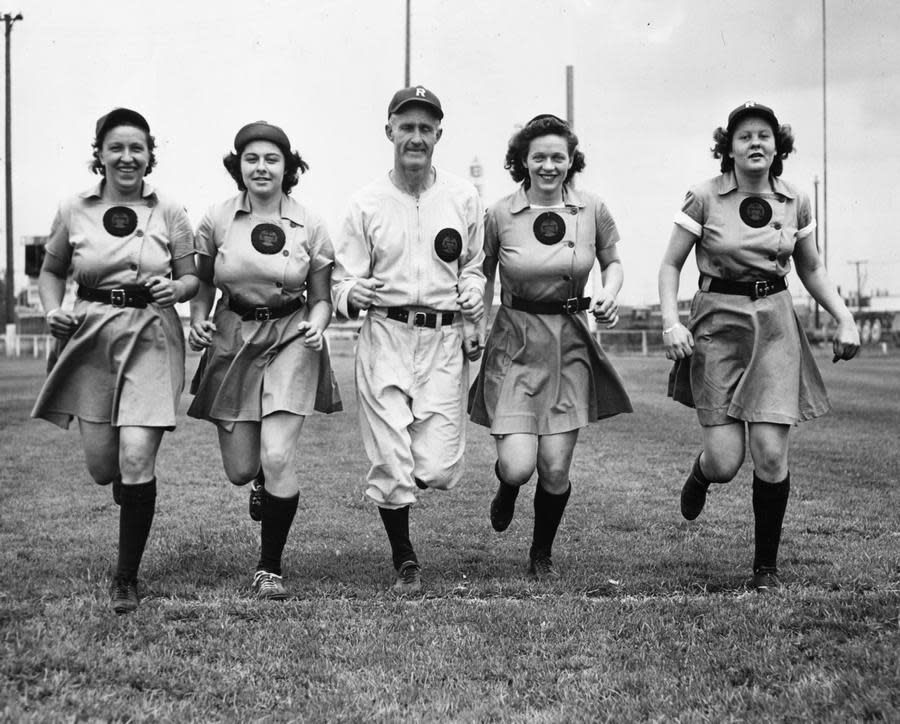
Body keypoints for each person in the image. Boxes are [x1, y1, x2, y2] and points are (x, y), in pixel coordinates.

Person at [659, 101, 860, 590]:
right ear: (728, 147)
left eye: (764, 136)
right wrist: (670, 322)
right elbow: (671, 266)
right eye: (744, 135)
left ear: (777, 146)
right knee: (727, 461)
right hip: (717, 327)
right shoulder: (703, 197)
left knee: (770, 452)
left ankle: (765, 568)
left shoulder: (794, 201)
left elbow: (810, 268)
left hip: (774, 327)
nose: (755, 143)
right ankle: (703, 474)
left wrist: (845, 318)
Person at [32, 108, 199, 614]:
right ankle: (131, 488)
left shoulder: (171, 210)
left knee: (135, 457)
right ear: (99, 154)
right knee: (104, 468)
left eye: (137, 148)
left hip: (151, 334)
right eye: (116, 147)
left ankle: (126, 576)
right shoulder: (73, 209)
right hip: (91, 336)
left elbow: (190, 277)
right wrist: (53, 311)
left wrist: (175, 288)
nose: (127, 157)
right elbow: (50, 274)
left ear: (150, 156)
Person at [331, 86, 485, 594]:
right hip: (386, 335)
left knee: (438, 468)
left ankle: (401, 489)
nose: (416, 136)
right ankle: (405, 559)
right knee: (391, 455)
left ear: (439, 133)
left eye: (426, 127)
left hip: (442, 339)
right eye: (407, 126)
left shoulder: (463, 198)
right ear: (389, 131)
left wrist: (473, 292)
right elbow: (341, 281)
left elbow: (474, 268)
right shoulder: (366, 203)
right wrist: (354, 291)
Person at [468, 114, 632, 579]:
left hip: (570, 341)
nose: (548, 165)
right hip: (516, 340)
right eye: (538, 156)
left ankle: (541, 555)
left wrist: (609, 291)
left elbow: (613, 262)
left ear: (570, 160)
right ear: (522, 160)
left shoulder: (592, 208)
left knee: (555, 468)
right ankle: (506, 487)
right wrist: (477, 321)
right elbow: (482, 272)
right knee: (519, 467)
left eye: (557, 156)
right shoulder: (500, 213)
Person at [187, 121, 341, 601]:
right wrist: (197, 317)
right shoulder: (216, 219)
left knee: (277, 455)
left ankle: (268, 568)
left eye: (271, 159)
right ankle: (258, 480)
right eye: (251, 158)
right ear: (239, 166)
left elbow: (321, 297)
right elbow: (205, 281)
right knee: (241, 468)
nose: (261, 167)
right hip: (234, 335)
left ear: (287, 167)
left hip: (291, 335)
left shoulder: (310, 223)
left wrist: (318, 321)